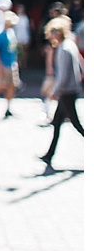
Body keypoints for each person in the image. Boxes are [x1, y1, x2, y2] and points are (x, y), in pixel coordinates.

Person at [38, 17, 84, 171]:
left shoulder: (64, 48)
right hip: (70, 89)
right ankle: (49, 154)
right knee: (57, 123)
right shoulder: (70, 45)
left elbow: (63, 75)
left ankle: (49, 154)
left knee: (77, 124)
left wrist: (54, 91)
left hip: (67, 91)